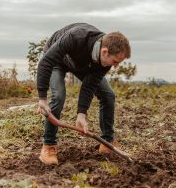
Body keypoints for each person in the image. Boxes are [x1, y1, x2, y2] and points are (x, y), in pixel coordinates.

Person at [36, 23, 131, 165]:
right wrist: (42, 98)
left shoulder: (105, 61)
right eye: (115, 61)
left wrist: (81, 114)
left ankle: (107, 142)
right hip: (57, 60)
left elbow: (89, 85)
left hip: (80, 64)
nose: (115, 66)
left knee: (108, 95)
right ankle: (48, 145)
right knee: (59, 95)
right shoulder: (76, 37)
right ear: (105, 52)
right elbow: (46, 62)